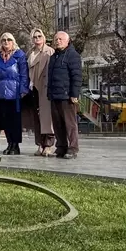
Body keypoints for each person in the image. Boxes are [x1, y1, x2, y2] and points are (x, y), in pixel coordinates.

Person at [0, 32, 29, 155]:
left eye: (9, 40)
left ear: (13, 42)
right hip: (1, 93)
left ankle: (15, 145)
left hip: (15, 93)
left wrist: (23, 90)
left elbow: (24, 74)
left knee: (15, 121)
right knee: (5, 121)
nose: (6, 42)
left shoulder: (19, 56)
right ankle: (9, 143)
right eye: (4, 40)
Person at [48, 31, 83, 160]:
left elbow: (77, 76)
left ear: (68, 41)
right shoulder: (53, 57)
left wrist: (74, 94)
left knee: (70, 124)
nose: (57, 41)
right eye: (56, 39)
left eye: (60, 39)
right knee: (57, 124)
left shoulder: (73, 56)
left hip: (67, 96)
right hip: (54, 96)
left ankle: (73, 148)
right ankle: (61, 147)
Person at [23, 28, 56, 156]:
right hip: (33, 88)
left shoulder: (49, 51)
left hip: (45, 87)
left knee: (47, 117)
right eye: (35, 37)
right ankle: (40, 144)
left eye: (39, 36)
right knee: (36, 118)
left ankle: (48, 144)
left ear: (43, 37)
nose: (37, 39)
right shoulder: (30, 53)